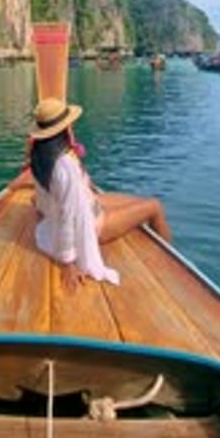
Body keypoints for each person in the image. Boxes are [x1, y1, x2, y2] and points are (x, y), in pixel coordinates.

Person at [11, 97, 171, 292]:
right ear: (63, 128)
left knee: (139, 202)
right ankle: (170, 268)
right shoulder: (64, 167)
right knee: (154, 206)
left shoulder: (39, 154)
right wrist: (68, 264)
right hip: (91, 224)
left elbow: (50, 197)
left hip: (86, 206)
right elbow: (68, 217)